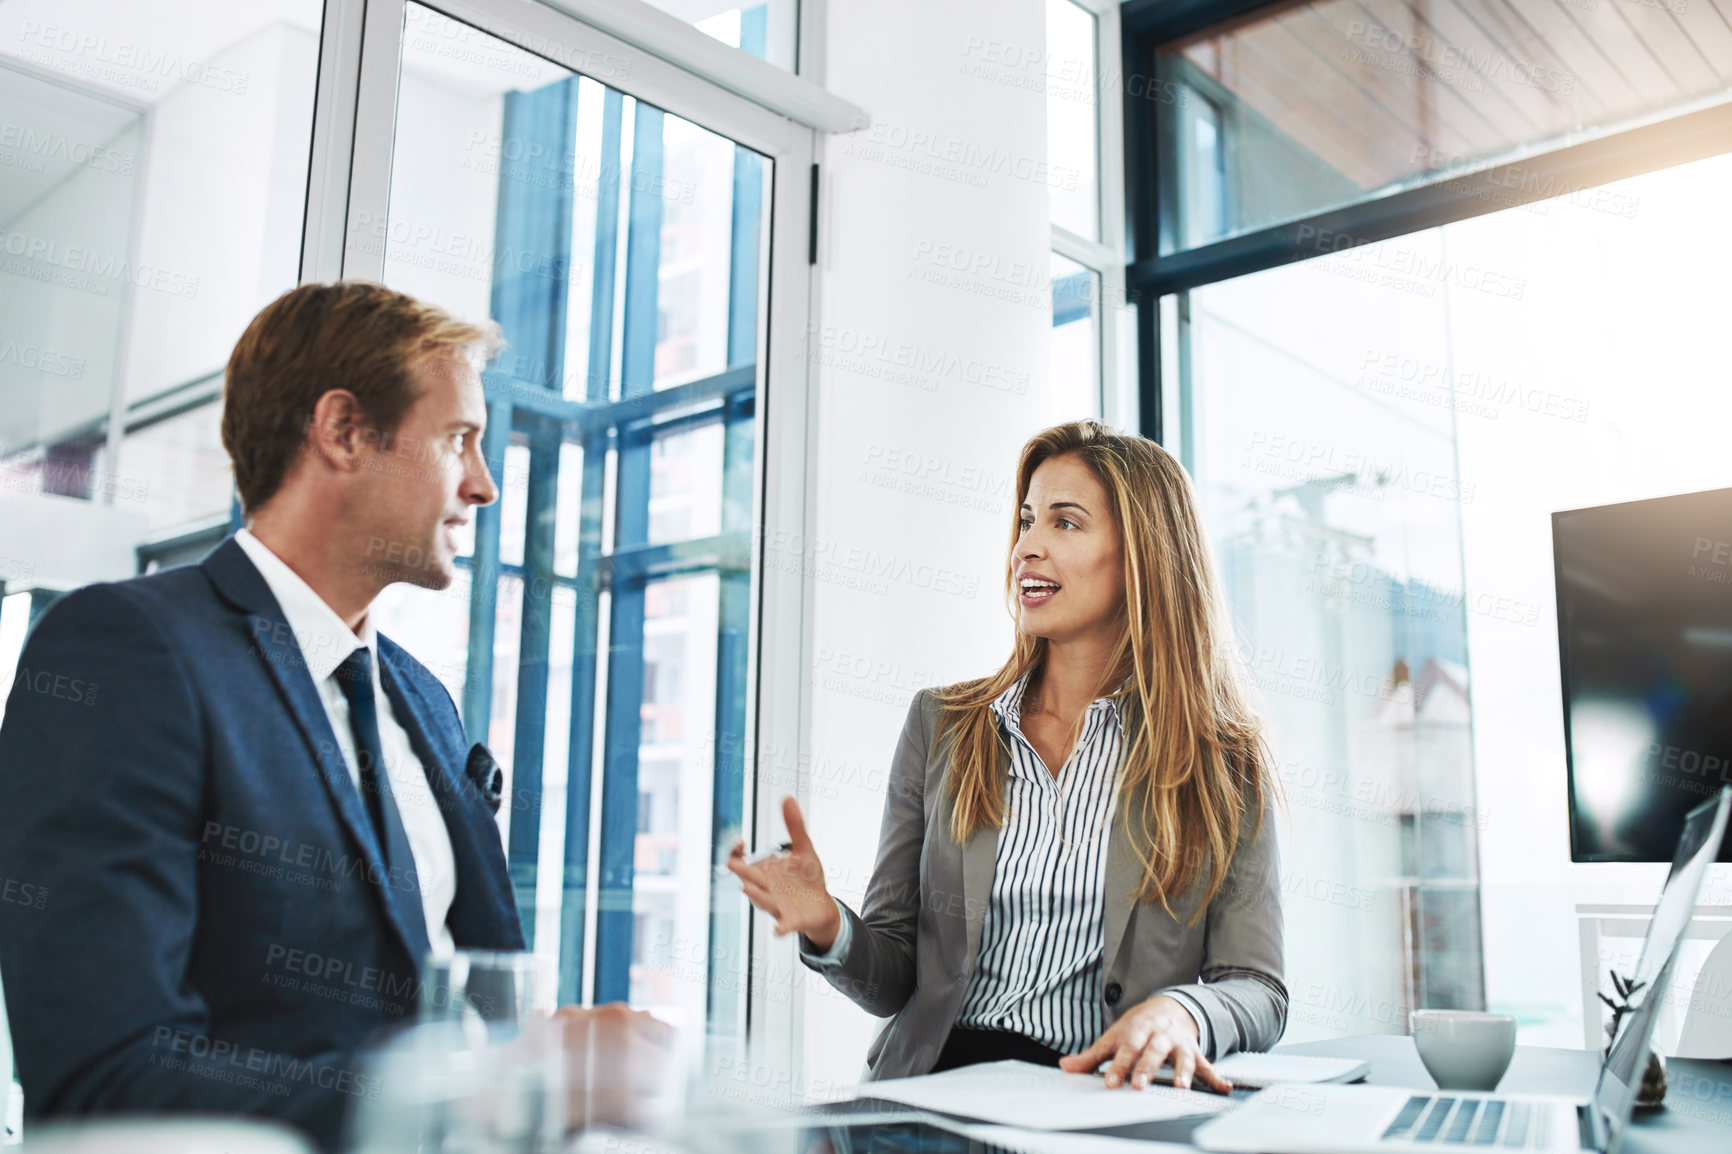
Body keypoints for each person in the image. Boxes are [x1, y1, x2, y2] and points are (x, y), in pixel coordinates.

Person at [0, 281, 667, 1150]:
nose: (485, 483)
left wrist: (558, 1064)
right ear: (345, 431)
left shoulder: (423, 698)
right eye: (460, 439)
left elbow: (477, 1001)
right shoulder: (125, 650)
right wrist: (486, 1091)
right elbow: (106, 1074)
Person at [728, 419, 1285, 1093]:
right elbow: (894, 976)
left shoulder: (1221, 760)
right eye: (1025, 521)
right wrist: (827, 924)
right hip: (938, 1085)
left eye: (1065, 524)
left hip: (1102, 1098)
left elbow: (1257, 987)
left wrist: (1182, 1011)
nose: (1027, 547)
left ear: (1143, 555)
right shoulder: (943, 727)